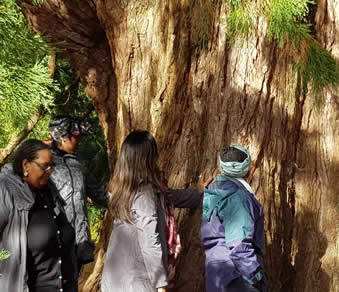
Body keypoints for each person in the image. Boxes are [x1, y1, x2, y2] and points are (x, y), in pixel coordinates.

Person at [101, 131, 203, 292]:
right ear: (148, 159)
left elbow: (166, 197)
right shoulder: (144, 194)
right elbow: (150, 240)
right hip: (137, 280)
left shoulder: (120, 188)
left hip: (115, 276)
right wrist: (160, 283)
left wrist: (196, 195)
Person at [0, 139, 77, 292]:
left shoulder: (49, 191)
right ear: (25, 165)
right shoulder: (6, 192)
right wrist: (6, 259)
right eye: (44, 166)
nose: (50, 171)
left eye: (51, 166)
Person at [202, 145, 267, 292]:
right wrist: (256, 276)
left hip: (217, 276)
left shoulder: (213, 192)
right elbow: (239, 246)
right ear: (248, 168)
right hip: (238, 278)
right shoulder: (238, 198)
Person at [48, 116, 109, 269]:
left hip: (79, 242)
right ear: (63, 138)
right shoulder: (45, 163)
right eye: (76, 137)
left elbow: (99, 194)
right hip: (53, 242)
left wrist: (127, 199)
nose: (79, 141)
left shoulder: (79, 164)